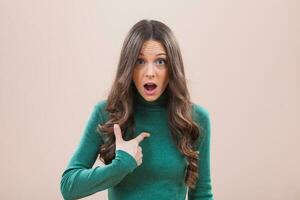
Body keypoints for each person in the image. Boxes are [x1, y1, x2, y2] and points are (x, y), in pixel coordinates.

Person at [60, 19, 214, 200]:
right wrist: (120, 166)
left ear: (172, 66)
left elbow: (202, 194)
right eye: (140, 61)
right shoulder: (106, 113)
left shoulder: (195, 119)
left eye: (160, 61)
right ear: (129, 66)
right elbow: (69, 187)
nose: (150, 72)